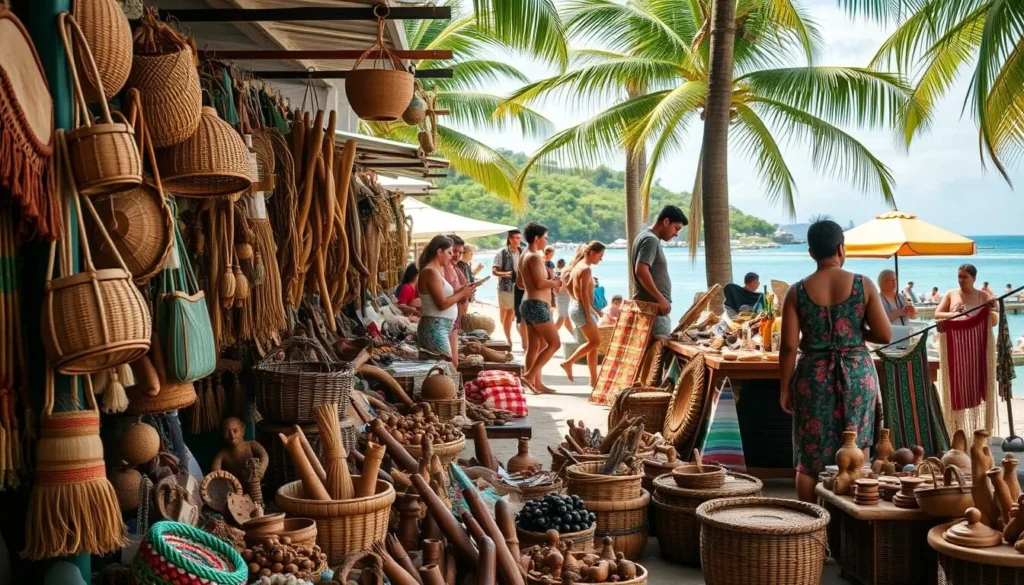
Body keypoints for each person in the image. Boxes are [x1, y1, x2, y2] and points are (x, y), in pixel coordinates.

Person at [779, 219, 891, 503]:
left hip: (813, 376)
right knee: (857, 452)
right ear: (841, 248)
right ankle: (852, 526)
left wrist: (784, 388)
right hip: (856, 374)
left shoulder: (796, 291)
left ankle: (809, 526)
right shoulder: (862, 284)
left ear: (810, 252)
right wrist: (853, 333)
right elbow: (884, 334)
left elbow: (789, 345)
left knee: (809, 459)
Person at [418, 235, 484, 359]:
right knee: (445, 367)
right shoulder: (430, 272)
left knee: (445, 368)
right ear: (439, 252)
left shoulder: (435, 271)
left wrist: (464, 290)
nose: (451, 255)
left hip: (440, 326)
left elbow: (446, 296)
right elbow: (442, 304)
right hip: (435, 327)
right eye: (449, 252)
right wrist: (462, 294)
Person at [517, 222, 563, 394]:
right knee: (554, 343)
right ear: (536, 238)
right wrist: (555, 282)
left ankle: (536, 384)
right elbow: (539, 282)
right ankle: (529, 376)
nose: (546, 240)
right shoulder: (535, 256)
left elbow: (521, 283)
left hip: (528, 303)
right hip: (537, 304)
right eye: (545, 237)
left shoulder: (524, 255)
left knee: (534, 346)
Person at [632, 206, 687, 337]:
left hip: (651, 311)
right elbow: (641, 270)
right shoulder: (650, 240)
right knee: (658, 355)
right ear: (666, 222)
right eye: (676, 228)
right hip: (654, 313)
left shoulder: (644, 237)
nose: (676, 234)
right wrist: (660, 298)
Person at [560, 241, 606, 387]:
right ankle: (568, 362)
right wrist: (587, 314)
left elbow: (568, 286)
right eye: (600, 255)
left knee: (593, 346)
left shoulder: (577, 266)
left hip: (577, 307)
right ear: (592, 253)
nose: (601, 259)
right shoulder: (586, 269)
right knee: (595, 342)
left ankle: (593, 380)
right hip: (581, 309)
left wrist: (593, 310)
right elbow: (585, 294)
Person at [492, 229, 523, 346]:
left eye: (519, 238)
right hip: (506, 287)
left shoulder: (522, 252)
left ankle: (523, 338)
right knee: (509, 313)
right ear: (509, 238)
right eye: (515, 238)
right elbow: (494, 271)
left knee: (520, 313)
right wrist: (505, 274)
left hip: (521, 286)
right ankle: (508, 339)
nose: (517, 240)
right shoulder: (502, 253)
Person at [445, 235, 470, 367]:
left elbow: (463, 289)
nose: (457, 255)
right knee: (451, 361)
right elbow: (443, 300)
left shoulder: (456, 269)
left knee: (453, 361)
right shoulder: (442, 269)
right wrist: (463, 294)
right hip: (446, 320)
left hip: (454, 319)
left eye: (460, 252)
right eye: (454, 251)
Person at [554, 258, 574, 335]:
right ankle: (550, 337)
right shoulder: (566, 273)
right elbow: (563, 286)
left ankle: (574, 335)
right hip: (564, 297)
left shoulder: (559, 272)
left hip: (561, 296)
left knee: (565, 317)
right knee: (562, 317)